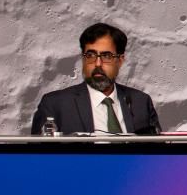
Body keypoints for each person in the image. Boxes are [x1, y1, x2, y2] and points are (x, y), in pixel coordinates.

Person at [30, 23, 161, 135]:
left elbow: (158, 151)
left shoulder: (141, 102)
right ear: (83, 58)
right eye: (91, 55)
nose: (98, 64)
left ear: (120, 60)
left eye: (106, 56)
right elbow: (38, 154)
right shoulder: (55, 104)